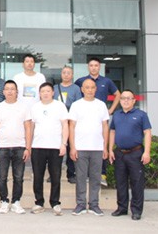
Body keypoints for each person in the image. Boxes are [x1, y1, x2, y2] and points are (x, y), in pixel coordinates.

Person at [75, 57, 121, 186]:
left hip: (100, 118)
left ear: (99, 67)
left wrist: (110, 110)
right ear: (88, 67)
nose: (93, 67)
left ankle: (102, 174)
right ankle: (84, 174)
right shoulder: (81, 81)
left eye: (96, 65)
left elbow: (118, 94)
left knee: (101, 144)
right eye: (91, 65)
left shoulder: (106, 81)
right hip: (84, 119)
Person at [109, 89, 152, 221]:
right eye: (123, 98)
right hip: (119, 153)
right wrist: (110, 150)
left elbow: (147, 133)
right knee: (120, 182)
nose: (125, 101)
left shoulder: (141, 115)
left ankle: (136, 211)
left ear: (134, 100)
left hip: (136, 153)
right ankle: (122, 208)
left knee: (137, 183)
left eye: (129, 98)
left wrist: (147, 152)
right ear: (120, 101)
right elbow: (112, 132)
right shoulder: (116, 115)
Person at [68, 78, 109, 217]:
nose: (90, 90)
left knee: (95, 177)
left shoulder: (101, 105)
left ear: (96, 89)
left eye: (92, 87)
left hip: (97, 147)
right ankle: (80, 204)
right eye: (87, 87)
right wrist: (72, 147)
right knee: (80, 177)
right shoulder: (76, 105)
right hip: (80, 147)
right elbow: (71, 126)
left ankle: (94, 204)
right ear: (82, 89)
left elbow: (105, 126)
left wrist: (105, 147)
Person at [0, 80, 32, 215]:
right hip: (1, 147)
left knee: (18, 177)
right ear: (3, 92)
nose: (9, 91)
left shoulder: (24, 107)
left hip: (19, 147)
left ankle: (16, 202)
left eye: (12, 89)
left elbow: (28, 128)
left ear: (17, 92)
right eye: (7, 89)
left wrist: (28, 147)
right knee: (1, 177)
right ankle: (4, 200)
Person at [30, 82, 69, 215]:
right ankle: (39, 202)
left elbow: (65, 125)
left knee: (56, 176)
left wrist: (64, 144)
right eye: (43, 91)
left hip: (55, 147)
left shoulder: (60, 106)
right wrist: (29, 145)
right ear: (39, 93)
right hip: (37, 146)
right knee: (38, 176)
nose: (45, 93)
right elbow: (31, 127)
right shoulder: (35, 107)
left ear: (53, 92)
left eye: (48, 91)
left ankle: (55, 203)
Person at [53, 66, 82, 184]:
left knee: (70, 146)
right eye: (64, 72)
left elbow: (78, 105)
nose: (66, 75)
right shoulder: (55, 88)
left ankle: (71, 173)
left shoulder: (76, 89)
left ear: (72, 75)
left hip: (70, 121)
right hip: (56, 121)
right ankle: (54, 173)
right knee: (56, 147)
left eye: (68, 73)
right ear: (61, 74)